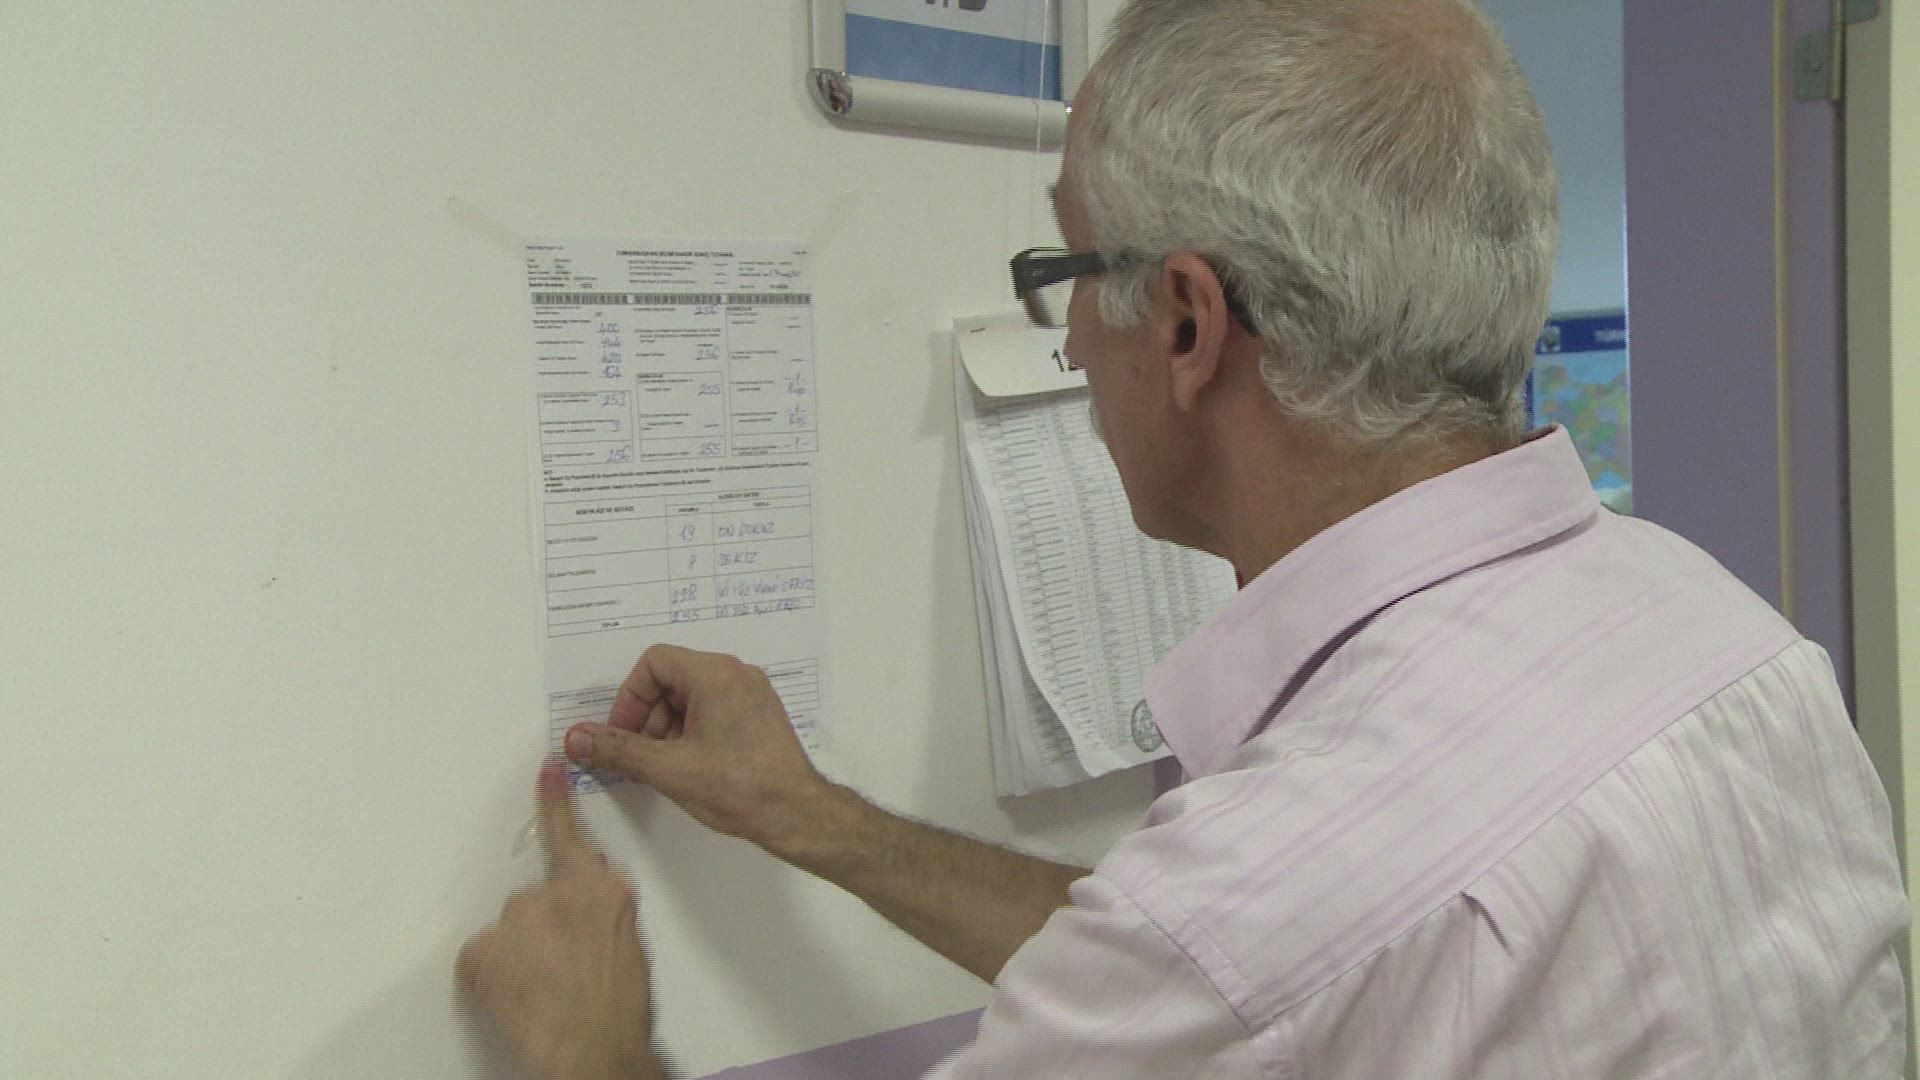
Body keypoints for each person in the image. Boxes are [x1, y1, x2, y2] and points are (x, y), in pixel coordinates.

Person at [457, 0, 1910, 1075]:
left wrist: (593, 1050)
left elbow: (1236, 959)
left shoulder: (1265, 902)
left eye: (1066, 266)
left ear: (1187, 322)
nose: (1070, 344)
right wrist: (809, 815)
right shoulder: (1737, 643)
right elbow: (1218, 972)